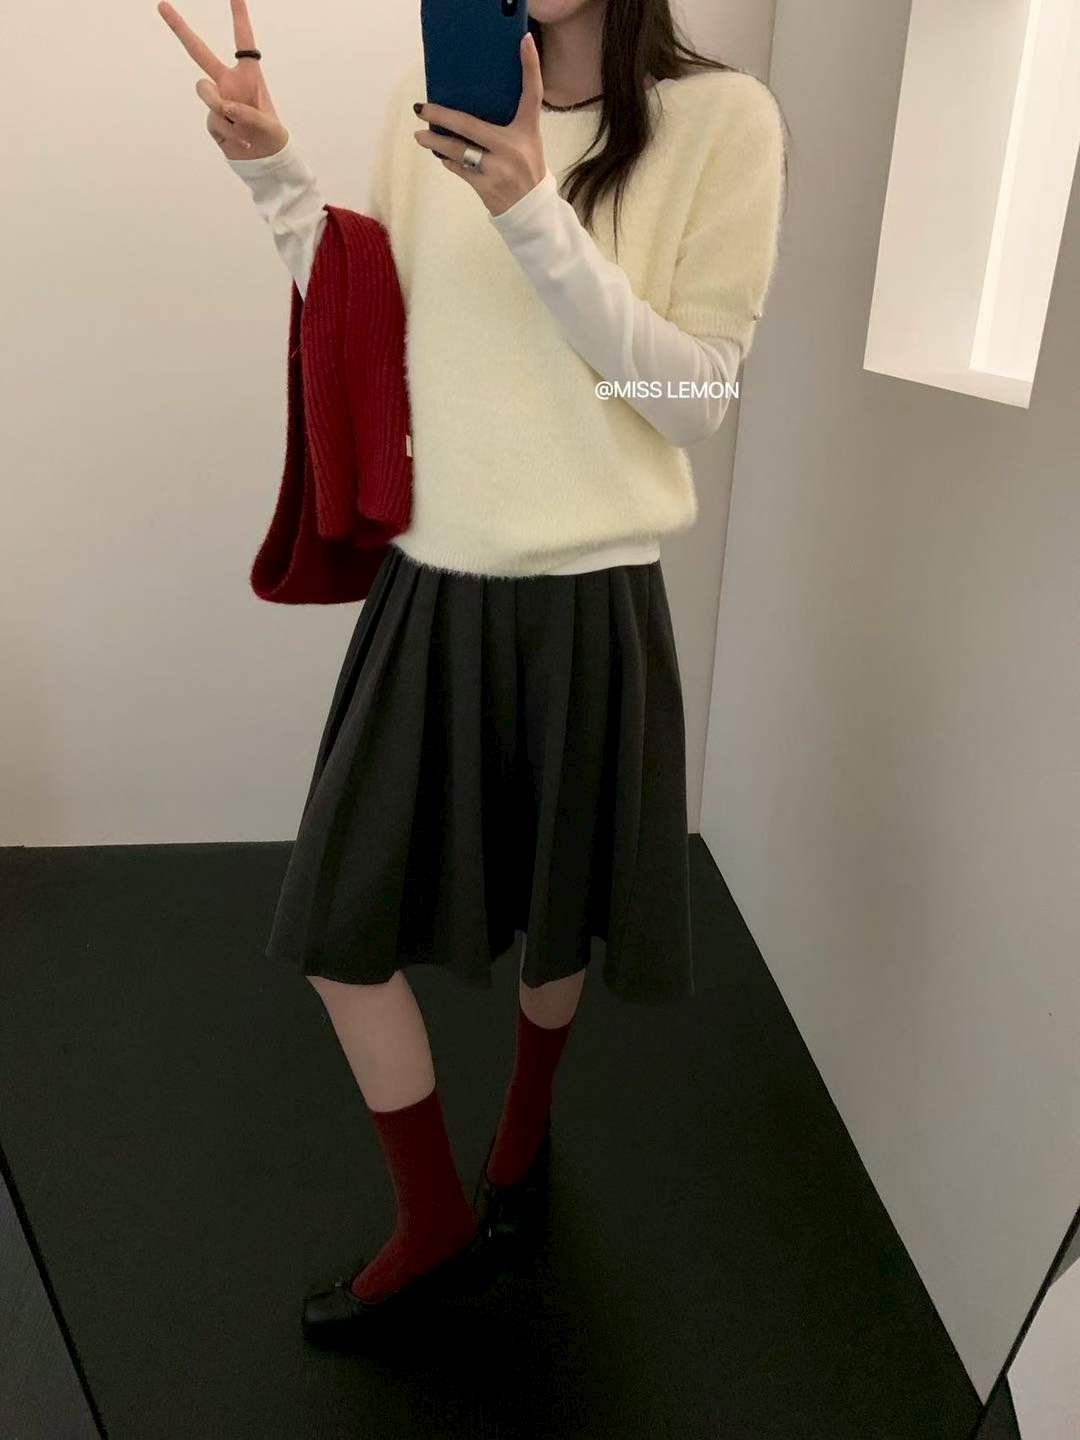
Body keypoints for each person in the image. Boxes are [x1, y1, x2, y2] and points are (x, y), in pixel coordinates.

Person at [158, 0, 788, 1342]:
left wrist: (530, 211)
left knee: (558, 914)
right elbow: (371, 321)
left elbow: (696, 399)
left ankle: (521, 1139)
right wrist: (273, 171)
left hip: (592, 598)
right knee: (337, 931)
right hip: (434, 587)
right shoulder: (428, 96)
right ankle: (437, 1213)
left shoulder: (722, 121)